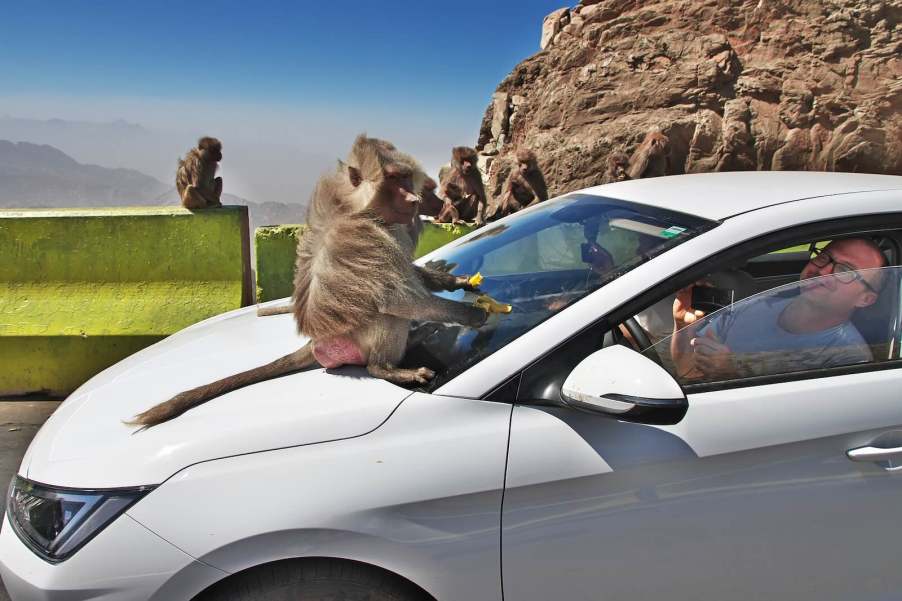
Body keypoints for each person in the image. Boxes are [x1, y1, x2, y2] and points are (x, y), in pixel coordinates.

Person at [670, 238, 887, 382]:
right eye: (824, 256)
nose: (823, 270)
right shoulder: (756, 305)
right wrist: (683, 327)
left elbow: (795, 428)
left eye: (846, 270)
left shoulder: (849, 360)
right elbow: (688, 373)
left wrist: (730, 374)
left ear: (865, 299)